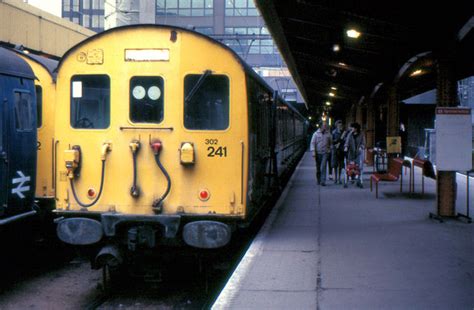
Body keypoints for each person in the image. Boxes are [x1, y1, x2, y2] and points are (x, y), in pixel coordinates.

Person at [344, 122, 366, 187]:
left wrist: (361, 147)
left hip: (358, 153)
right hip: (351, 153)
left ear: (356, 128)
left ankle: (359, 179)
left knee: (358, 166)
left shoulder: (361, 134)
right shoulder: (350, 134)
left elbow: (363, 143)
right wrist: (346, 147)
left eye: (353, 127)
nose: (351, 129)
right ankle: (351, 177)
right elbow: (347, 142)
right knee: (351, 165)